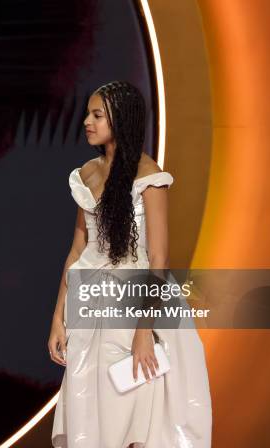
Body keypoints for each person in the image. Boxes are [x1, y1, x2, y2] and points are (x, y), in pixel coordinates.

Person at [49, 81, 211, 447]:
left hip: (135, 306)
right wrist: (58, 319)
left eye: (97, 115)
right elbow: (77, 252)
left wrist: (143, 332)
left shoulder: (149, 175)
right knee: (90, 414)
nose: (87, 122)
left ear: (120, 120)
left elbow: (159, 259)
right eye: (88, 114)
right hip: (90, 306)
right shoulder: (87, 173)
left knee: (135, 412)